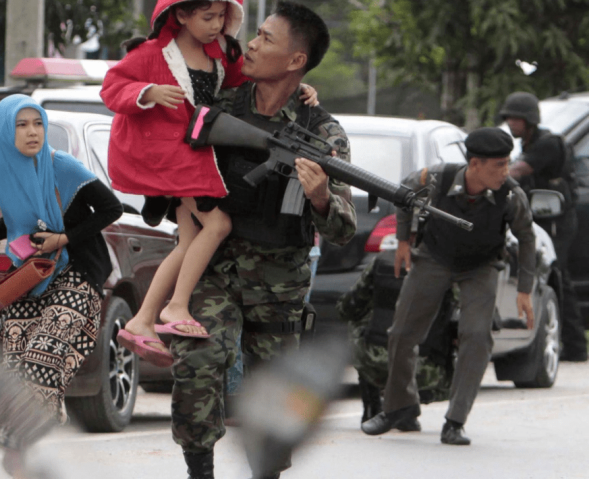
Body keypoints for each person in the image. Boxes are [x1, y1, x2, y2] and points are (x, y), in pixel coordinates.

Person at [169, 3, 356, 478]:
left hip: (279, 285)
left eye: (267, 39)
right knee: (197, 362)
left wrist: (318, 199)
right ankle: (200, 470)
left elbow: (343, 229)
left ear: (296, 61)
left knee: (275, 396)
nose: (251, 43)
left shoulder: (323, 132)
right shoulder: (221, 103)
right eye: (256, 35)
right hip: (214, 266)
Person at [101, 0, 317, 367]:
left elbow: (255, 80)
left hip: (193, 156)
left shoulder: (220, 55)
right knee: (219, 224)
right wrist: (148, 93)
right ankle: (176, 306)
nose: (217, 24)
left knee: (188, 240)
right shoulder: (150, 53)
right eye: (208, 17)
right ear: (181, 15)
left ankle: (142, 320)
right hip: (170, 159)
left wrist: (300, 86)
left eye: (222, 16)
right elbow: (112, 87)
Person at [0, 94, 123, 478]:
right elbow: (18, 222)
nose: (32, 132)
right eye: (21, 125)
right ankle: (20, 450)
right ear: (6, 131)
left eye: (37, 123)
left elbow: (111, 208)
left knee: (41, 360)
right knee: (17, 368)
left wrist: (63, 238)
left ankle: (21, 442)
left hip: (76, 274)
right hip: (28, 281)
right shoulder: (5, 173)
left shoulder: (62, 166)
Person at [361, 127, 536, 446]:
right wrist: (402, 240)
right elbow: (402, 194)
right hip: (434, 257)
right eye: (498, 165)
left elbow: (527, 237)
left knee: (477, 336)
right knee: (401, 333)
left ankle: (455, 420)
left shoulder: (510, 195)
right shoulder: (435, 178)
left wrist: (525, 289)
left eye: (507, 163)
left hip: (480, 267)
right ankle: (400, 408)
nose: (505, 172)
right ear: (475, 164)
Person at [501, 91, 587, 362]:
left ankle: (574, 345)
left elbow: (519, 171)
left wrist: (489, 174)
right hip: (545, 220)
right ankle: (572, 344)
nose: (511, 123)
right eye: (508, 118)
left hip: (557, 222)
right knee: (558, 278)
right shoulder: (530, 142)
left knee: (556, 277)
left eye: (515, 118)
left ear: (528, 119)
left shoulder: (547, 143)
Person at [337, 251, 454, 427]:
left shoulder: (384, 261)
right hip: (430, 372)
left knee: (358, 322)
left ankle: (373, 406)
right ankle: (408, 410)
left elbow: (347, 308)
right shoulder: (454, 266)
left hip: (377, 362)